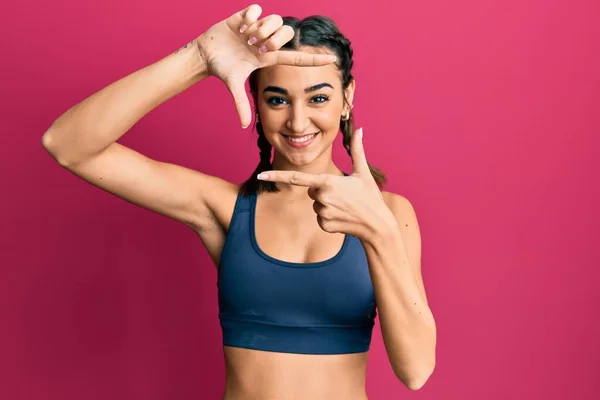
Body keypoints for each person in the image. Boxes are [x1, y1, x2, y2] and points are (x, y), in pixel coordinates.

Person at [41, 4, 437, 398]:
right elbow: (68, 146)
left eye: (318, 99)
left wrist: (378, 233)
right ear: (258, 104)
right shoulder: (226, 209)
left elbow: (416, 370)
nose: (298, 122)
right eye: (278, 100)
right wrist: (198, 58)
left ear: (347, 97)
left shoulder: (391, 215)